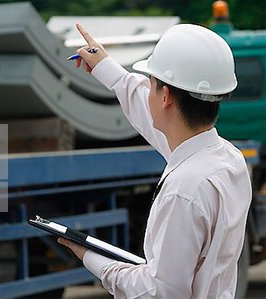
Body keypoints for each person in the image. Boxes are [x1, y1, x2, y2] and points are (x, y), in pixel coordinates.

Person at [58, 23, 252, 298]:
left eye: (151, 84)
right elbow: (153, 116)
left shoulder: (184, 190)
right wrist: (107, 68)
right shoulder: (229, 159)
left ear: (166, 97)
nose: (146, 92)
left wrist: (91, 258)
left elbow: (160, 292)